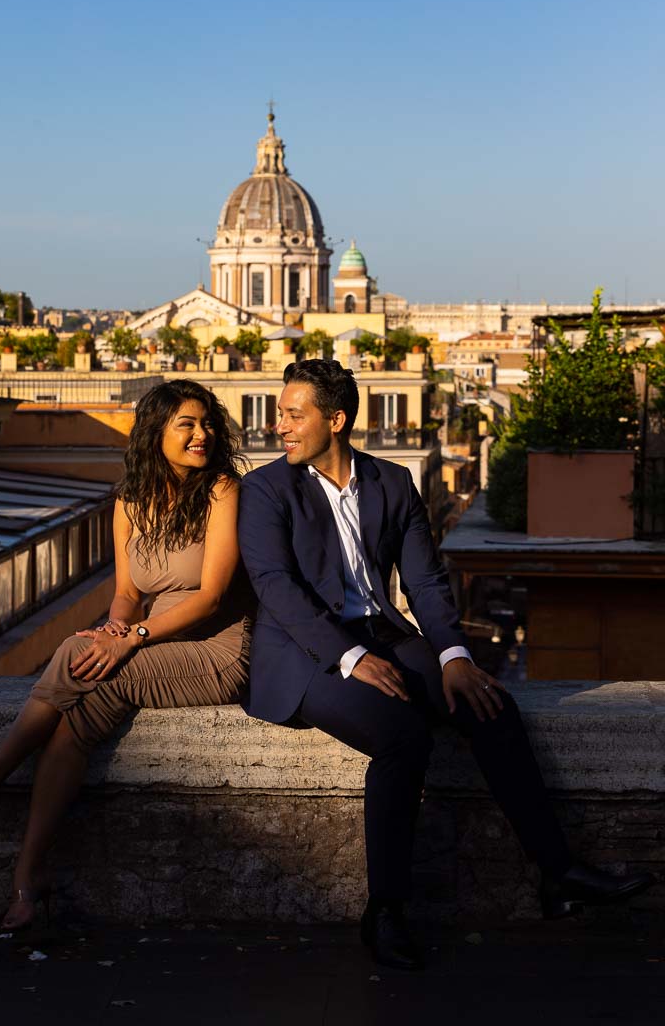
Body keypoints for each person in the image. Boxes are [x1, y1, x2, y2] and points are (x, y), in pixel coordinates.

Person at [237, 359, 653, 971]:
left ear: (338, 420)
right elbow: (276, 587)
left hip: (381, 633)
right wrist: (351, 658)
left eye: (294, 415)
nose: (281, 427)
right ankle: (385, 910)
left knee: (491, 705)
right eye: (281, 415)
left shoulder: (391, 483)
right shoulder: (267, 489)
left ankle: (557, 872)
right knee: (402, 736)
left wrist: (454, 656)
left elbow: (427, 581)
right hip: (303, 657)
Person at [0, 380, 253, 930]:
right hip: (151, 639)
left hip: (216, 649)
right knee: (71, 729)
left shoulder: (222, 492)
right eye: (187, 424)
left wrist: (129, 638)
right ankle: (28, 878)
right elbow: (128, 593)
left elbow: (210, 597)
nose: (202, 434)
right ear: (155, 432)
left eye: (207, 423)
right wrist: (116, 624)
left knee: (75, 653)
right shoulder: (130, 501)